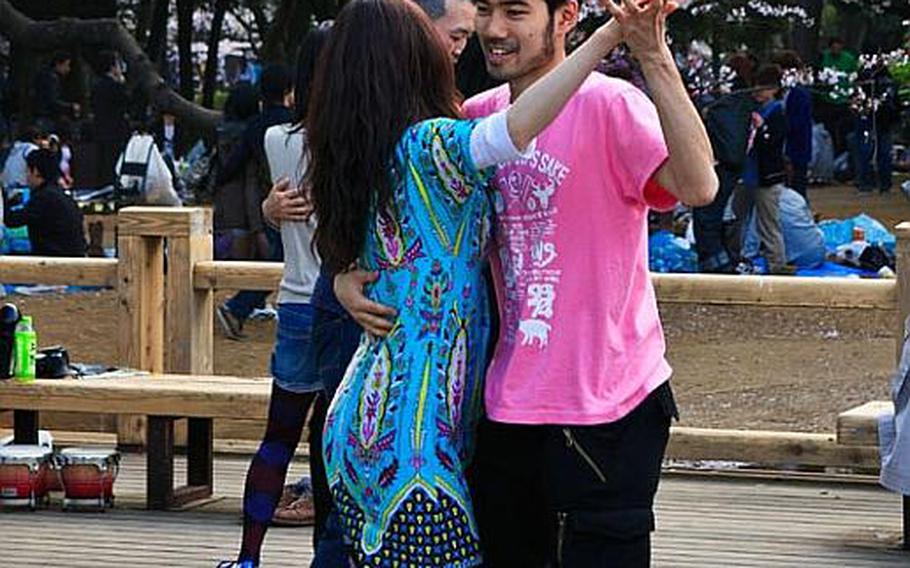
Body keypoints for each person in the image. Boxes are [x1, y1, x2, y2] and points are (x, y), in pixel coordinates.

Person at [335, 0, 717, 566]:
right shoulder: (473, 116)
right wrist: (344, 276)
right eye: (485, 10)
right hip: (502, 405)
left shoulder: (612, 104)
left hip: (607, 405)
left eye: (516, 12)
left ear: (565, 17)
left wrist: (652, 52)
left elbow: (699, 185)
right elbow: (392, 209)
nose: (493, 30)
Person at [220, 25, 334, 568]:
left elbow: (280, 211)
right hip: (342, 309)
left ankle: (247, 556)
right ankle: (328, 555)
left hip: (293, 301)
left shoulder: (276, 141)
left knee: (277, 439)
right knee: (332, 447)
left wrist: (269, 210)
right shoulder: (360, 140)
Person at [215, 65, 293, 340]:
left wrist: (217, 180)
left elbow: (234, 165)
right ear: (289, 91)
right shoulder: (296, 121)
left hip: (267, 202)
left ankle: (243, 306)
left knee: (279, 260)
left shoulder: (256, 126)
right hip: (297, 200)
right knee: (284, 261)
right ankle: (237, 307)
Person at [747, 64, 790, 275]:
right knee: (739, 220)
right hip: (749, 176)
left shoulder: (777, 112)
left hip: (768, 177)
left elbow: (773, 143)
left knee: (769, 224)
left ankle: (777, 265)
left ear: (773, 89)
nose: (757, 92)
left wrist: (762, 128)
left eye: (762, 88)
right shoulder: (753, 110)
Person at [3, 148, 86, 257]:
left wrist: (3, 198)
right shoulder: (60, 195)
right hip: (72, 260)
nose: (26, 176)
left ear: (36, 171)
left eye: (27, 170)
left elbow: (11, 220)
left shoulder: (44, 198)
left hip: (56, 264)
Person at [851, 59, 899, 194]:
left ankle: (880, 184)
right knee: (868, 151)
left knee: (879, 152)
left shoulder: (887, 80)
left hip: (882, 120)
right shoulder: (866, 77)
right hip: (869, 119)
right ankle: (871, 183)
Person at [773, 51, 813, 201]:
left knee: (797, 185)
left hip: (797, 146)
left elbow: (798, 122)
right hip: (792, 144)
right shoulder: (787, 91)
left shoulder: (799, 93)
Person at [92, 51, 131, 188]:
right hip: (115, 130)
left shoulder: (96, 85)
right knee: (114, 162)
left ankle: (102, 186)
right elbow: (127, 103)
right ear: (112, 67)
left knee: (102, 162)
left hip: (99, 128)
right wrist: (122, 82)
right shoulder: (116, 87)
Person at [33, 52, 80, 135]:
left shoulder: (45, 75)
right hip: (48, 118)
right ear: (58, 64)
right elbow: (52, 101)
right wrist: (70, 107)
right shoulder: (52, 79)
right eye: (66, 65)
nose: (68, 69)